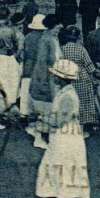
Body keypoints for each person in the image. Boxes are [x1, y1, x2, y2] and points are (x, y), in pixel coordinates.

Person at [36, 59, 90, 198]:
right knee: (55, 166)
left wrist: (41, 117)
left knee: (60, 168)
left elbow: (59, 122)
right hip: (64, 136)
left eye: (55, 75)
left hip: (65, 138)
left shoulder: (67, 96)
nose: (52, 77)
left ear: (61, 78)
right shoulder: (65, 92)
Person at [59, 25, 100, 135]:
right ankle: (81, 131)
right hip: (82, 78)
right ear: (77, 37)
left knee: (69, 103)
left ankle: (68, 128)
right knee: (83, 104)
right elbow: (88, 64)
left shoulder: (62, 48)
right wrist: (96, 72)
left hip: (67, 78)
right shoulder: (81, 49)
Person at [30, 15, 63, 149]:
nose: (58, 31)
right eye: (56, 29)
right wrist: (43, 81)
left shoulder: (53, 38)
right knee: (45, 109)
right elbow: (42, 62)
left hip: (53, 77)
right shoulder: (45, 40)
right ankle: (39, 138)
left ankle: (48, 136)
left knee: (51, 110)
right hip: (46, 79)